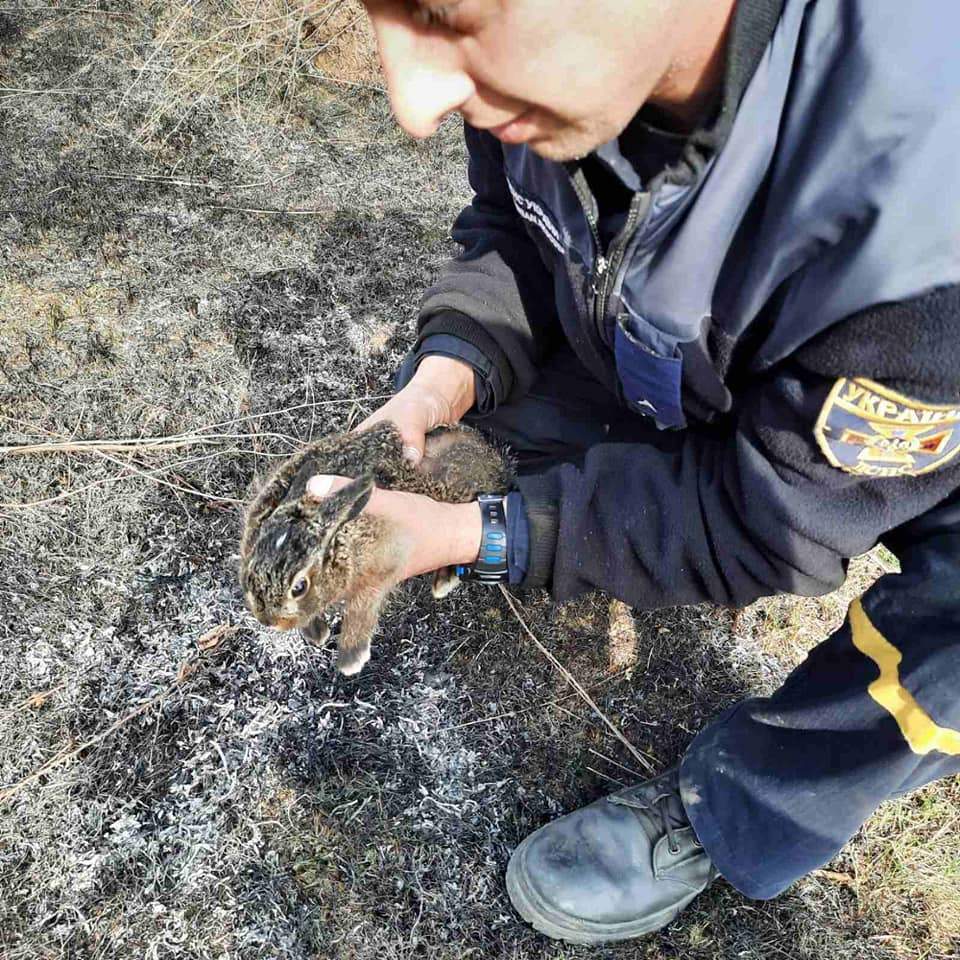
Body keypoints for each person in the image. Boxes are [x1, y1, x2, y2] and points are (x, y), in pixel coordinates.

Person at [306, 0, 960, 944]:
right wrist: (447, 373)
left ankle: (740, 808)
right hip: (754, 352)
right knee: (523, 437)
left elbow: (763, 524)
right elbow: (515, 225)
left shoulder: (926, 212)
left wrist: (475, 533)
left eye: (450, 13)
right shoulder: (578, 54)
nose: (411, 101)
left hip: (926, 418)